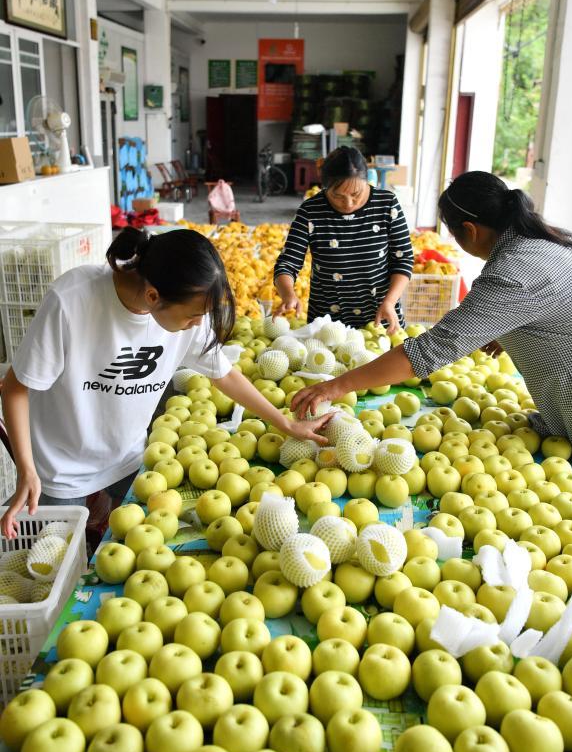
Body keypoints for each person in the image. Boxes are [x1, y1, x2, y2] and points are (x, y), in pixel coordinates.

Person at [1, 227, 331, 539]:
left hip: (127, 455)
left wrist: (285, 422)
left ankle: (100, 507)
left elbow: (224, 373)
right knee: (55, 559)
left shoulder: (188, 306)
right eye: (192, 317)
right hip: (60, 469)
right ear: (152, 295)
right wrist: (27, 469)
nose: (198, 325)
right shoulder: (72, 300)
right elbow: (17, 388)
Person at [291, 171, 572, 475]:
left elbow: (426, 353)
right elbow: (561, 307)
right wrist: (506, 324)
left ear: (470, 230)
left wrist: (335, 386)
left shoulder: (512, 273)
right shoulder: (561, 240)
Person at [273, 146, 414, 334]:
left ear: (367, 179)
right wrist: (288, 294)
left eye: (355, 194)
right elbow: (287, 262)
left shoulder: (387, 204)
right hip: (326, 325)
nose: (348, 204)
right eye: (337, 195)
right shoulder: (311, 211)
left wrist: (389, 301)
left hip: (380, 319)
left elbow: (403, 260)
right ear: (325, 186)